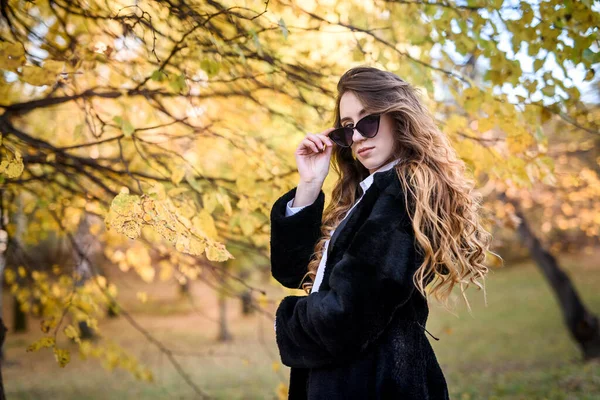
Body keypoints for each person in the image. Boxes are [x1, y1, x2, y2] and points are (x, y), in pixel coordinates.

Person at [270, 66, 493, 399]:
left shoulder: (404, 190)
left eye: (367, 121)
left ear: (397, 116)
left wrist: (285, 322)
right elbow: (295, 272)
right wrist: (310, 183)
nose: (357, 137)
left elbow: (348, 315)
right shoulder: (369, 195)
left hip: (375, 381)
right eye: (346, 129)